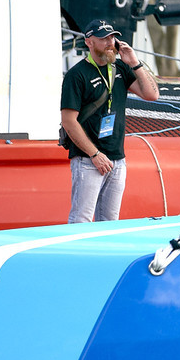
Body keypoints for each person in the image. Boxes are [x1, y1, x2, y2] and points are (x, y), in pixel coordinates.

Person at [60, 19, 160, 223]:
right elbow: (69, 121)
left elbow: (152, 95)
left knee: (110, 222)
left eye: (112, 37)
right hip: (88, 159)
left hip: (117, 158)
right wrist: (95, 154)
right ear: (89, 42)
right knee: (82, 219)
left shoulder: (121, 68)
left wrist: (134, 62)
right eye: (103, 38)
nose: (110, 42)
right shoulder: (76, 75)